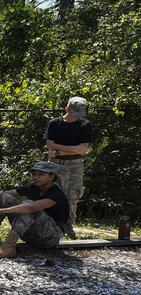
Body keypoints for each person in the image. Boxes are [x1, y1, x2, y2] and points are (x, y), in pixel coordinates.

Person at [0, 161, 69, 258]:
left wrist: (2, 211)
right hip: (30, 233)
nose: (36, 177)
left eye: (41, 174)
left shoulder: (56, 194)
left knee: (27, 206)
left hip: (49, 239)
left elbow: (31, 207)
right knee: (6, 197)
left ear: (51, 177)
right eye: (34, 174)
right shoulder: (34, 188)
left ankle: (9, 247)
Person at [45, 96, 92, 232]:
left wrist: (59, 152)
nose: (77, 116)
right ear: (67, 109)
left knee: (73, 195)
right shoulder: (54, 123)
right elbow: (50, 145)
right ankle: (51, 223)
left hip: (75, 165)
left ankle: (68, 224)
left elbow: (83, 148)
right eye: (75, 113)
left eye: (80, 114)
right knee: (53, 193)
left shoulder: (85, 124)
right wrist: (74, 148)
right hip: (56, 164)